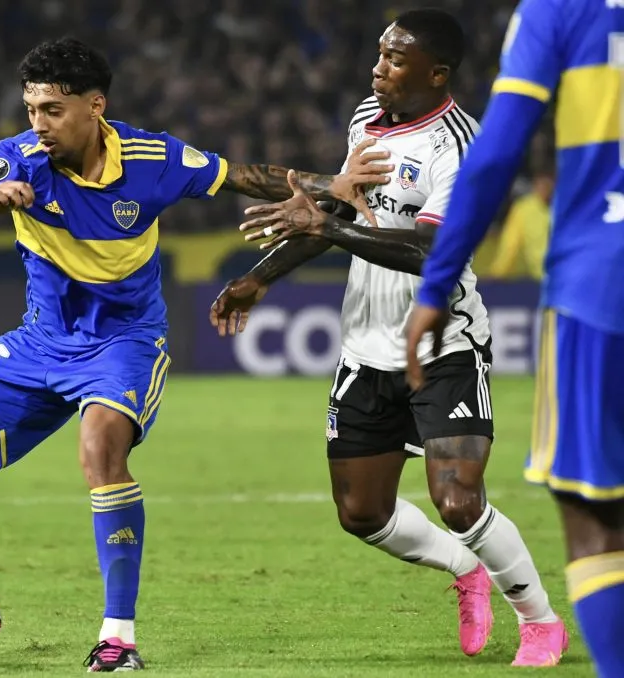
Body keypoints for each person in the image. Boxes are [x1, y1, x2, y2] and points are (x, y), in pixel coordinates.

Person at [0, 37, 387, 672]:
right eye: (31, 109)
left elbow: (241, 175)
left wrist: (330, 183)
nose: (38, 124)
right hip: (40, 339)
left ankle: (117, 637)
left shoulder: (153, 158)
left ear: (95, 106)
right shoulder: (14, 160)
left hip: (124, 343)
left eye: (54, 110)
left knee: (100, 450)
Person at [209, 9, 567, 666]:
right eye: (379, 54)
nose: (379, 68)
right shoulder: (363, 122)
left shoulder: (459, 145)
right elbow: (338, 212)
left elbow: (435, 250)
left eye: (396, 59)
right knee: (361, 513)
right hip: (365, 348)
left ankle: (540, 620)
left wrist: (331, 228)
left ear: (437, 73)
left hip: (443, 344)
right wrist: (260, 279)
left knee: (457, 497)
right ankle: (466, 571)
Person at [404, 0, 624, 675]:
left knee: (596, 518)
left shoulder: (560, 8)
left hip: (602, 282)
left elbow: (498, 150)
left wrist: (438, 285)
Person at [486, 171, 554, 279]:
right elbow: (510, 244)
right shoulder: (523, 209)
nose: (545, 189)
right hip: (541, 276)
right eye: (541, 184)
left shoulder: (564, 206)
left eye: (548, 185)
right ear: (535, 185)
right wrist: (497, 273)